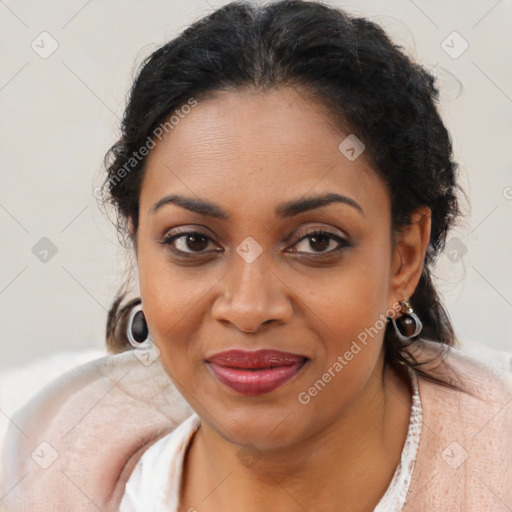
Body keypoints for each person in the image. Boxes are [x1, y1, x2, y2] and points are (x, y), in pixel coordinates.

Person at [2, 1, 511, 511]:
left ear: (403, 257)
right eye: (193, 241)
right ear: (138, 245)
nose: (248, 308)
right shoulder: (33, 467)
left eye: (317, 241)